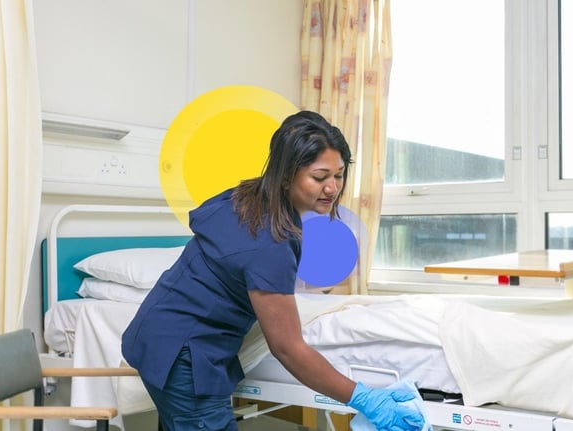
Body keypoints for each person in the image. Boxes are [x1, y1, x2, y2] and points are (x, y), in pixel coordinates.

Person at [121, 110, 426, 431]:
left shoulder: (247, 196)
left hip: (155, 335)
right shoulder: (272, 242)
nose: (332, 188)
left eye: (338, 175)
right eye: (319, 177)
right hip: (183, 358)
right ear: (285, 175)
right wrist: (362, 397)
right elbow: (288, 348)